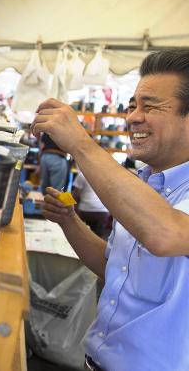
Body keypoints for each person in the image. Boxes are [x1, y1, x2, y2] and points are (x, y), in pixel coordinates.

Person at [34, 50, 189, 371]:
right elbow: (115, 269)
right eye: (132, 105)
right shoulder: (144, 185)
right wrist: (69, 222)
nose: (132, 117)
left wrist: (81, 143)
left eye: (150, 106)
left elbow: (167, 233)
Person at [72, 170, 110, 238]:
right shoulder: (107, 176)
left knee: (81, 237)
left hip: (85, 211)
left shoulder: (82, 174)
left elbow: (76, 194)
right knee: (98, 238)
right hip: (102, 212)